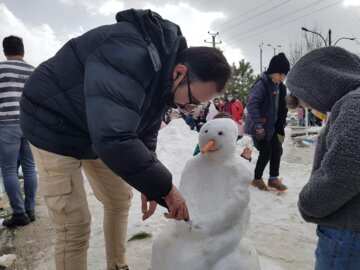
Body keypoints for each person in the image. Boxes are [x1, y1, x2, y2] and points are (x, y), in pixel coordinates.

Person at [20, 9, 231, 270]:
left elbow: (145, 131)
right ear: (180, 72)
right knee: (74, 224)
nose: (189, 109)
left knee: (119, 198)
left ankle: (118, 266)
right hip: (51, 124)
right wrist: (165, 188)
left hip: (93, 130)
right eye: (192, 101)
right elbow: (114, 137)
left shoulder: (162, 77)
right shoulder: (129, 54)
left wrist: (149, 183)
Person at [286, 47, 360, 270]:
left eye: (303, 98)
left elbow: (346, 171)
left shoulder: (354, 105)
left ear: (318, 82)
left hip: (348, 233)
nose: (307, 105)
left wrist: (309, 202)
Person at [0, 36, 38, 227]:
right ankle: (30, 209)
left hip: (7, 124)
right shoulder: (33, 71)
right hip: (29, 125)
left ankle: (19, 213)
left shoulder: (1, 69)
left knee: (8, 170)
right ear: (23, 50)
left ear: (5, 50)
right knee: (30, 168)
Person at [245, 52, 289, 192]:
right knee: (266, 151)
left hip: (271, 128)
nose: (282, 78)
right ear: (272, 71)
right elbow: (252, 104)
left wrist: (280, 125)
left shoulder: (279, 86)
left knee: (277, 150)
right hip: (259, 127)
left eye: (285, 75)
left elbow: (281, 108)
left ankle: (273, 178)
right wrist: (258, 125)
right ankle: (257, 178)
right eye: (280, 74)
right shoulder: (262, 85)